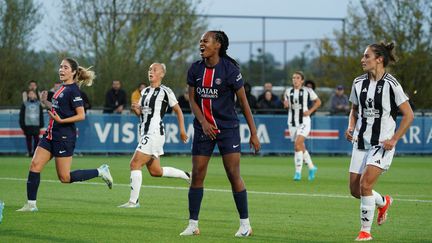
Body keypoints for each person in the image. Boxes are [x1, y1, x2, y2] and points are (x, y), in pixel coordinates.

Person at [180, 30, 260, 237]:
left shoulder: (230, 70)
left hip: (228, 130)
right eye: (200, 41)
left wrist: (254, 133)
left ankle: (245, 225)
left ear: (218, 45)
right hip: (203, 129)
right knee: (197, 174)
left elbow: (244, 103)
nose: (201, 44)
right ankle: (193, 224)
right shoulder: (195, 69)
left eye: (205, 41)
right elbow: (192, 100)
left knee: (233, 174)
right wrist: (203, 122)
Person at [16, 58, 113, 212]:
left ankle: (101, 171)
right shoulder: (61, 88)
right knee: (34, 165)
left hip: (64, 137)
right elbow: (57, 109)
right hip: (50, 134)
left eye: (65, 67)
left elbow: (81, 115)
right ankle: (31, 204)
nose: (61, 70)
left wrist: (61, 120)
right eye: (60, 67)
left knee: (65, 178)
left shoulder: (74, 91)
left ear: (73, 72)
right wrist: (45, 102)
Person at [345, 42, 413, 241]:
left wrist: (394, 139)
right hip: (360, 142)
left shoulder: (392, 84)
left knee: (366, 185)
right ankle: (383, 202)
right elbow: (354, 110)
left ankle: (365, 231)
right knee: (355, 191)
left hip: (381, 144)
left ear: (379, 59)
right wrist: (350, 127)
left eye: (366, 56)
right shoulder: (358, 82)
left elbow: (409, 115)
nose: (362, 60)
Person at [118, 63, 190, 208]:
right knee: (156, 171)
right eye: (150, 69)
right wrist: (135, 110)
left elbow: (178, 110)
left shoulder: (165, 91)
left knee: (135, 163)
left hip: (154, 132)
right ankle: (188, 175)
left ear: (162, 74)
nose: (151, 71)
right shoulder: (144, 92)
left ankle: (134, 201)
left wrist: (182, 130)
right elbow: (141, 115)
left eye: (154, 70)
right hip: (145, 132)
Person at [283, 71, 321, 181]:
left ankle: (297, 173)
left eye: (297, 78)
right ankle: (311, 167)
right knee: (300, 146)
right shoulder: (287, 91)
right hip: (292, 122)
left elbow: (318, 102)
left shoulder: (307, 91)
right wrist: (285, 105)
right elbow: (286, 103)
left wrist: (310, 111)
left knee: (297, 144)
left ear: (302, 80)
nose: (295, 80)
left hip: (304, 121)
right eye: (293, 78)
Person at [19, 90, 44, 157]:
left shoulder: (39, 104)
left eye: (33, 94)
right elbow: (21, 115)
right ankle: (29, 152)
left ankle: (35, 153)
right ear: (28, 95)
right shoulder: (25, 104)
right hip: (27, 125)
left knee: (36, 140)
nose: (31, 95)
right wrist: (22, 125)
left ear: (35, 95)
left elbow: (41, 115)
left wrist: (41, 124)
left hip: (36, 125)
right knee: (28, 140)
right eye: (30, 94)